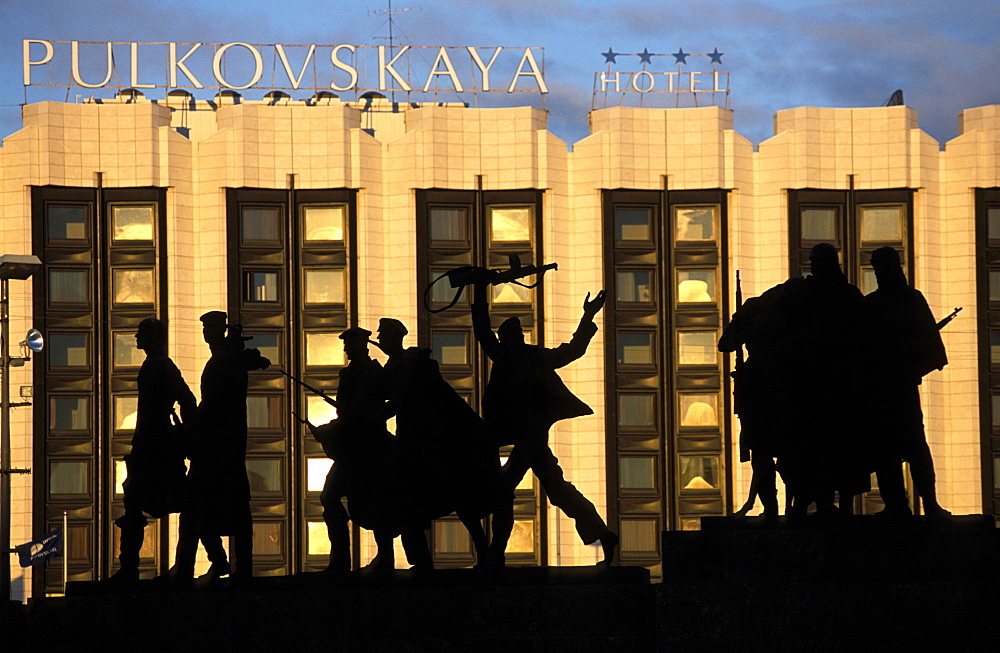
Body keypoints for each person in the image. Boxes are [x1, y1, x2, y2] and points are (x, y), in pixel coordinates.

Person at [471, 279, 618, 566]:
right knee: (558, 490)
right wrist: (478, 288)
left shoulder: (529, 357)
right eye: (511, 334)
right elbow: (481, 330)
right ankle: (603, 533)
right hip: (522, 436)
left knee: (506, 488)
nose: (515, 338)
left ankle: (494, 556)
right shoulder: (510, 356)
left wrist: (588, 316)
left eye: (516, 334)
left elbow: (575, 350)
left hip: (531, 437)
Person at [375, 318, 496, 569]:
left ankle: (481, 553)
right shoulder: (394, 364)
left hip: (425, 441)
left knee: (443, 496)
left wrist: (371, 417)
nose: (379, 340)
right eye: (380, 336)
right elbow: (384, 394)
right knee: (412, 500)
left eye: (383, 336)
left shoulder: (407, 364)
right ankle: (421, 559)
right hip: (412, 440)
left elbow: (399, 401)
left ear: (396, 338)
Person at [170, 311, 269, 580]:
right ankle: (230, 565)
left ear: (221, 331)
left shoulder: (223, 361)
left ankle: (215, 565)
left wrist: (188, 430)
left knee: (200, 506)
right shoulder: (224, 359)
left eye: (212, 328)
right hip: (222, 445)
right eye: (205, 328)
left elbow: (212, 405)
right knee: (226, 508)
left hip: (218, 448)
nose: (207, 332)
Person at [863, 246, 950, 519]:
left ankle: (930, 504)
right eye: (875, 268)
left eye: (882, 268)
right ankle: (896, 505)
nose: (879, 274)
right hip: (879, 389)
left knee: (915, 447)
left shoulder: (912, 300)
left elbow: (932, 349)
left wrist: (909, 365)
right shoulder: (871, 304)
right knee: (884, 451)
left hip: (901, 388)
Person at [111, 318, 195, 581]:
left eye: (141, 333)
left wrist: (182, 433)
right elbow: (186, 400)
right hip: (152, 442)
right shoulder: (157, 364)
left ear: (154, 337)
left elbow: (187, 399)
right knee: (144, 500)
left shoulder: (160, 365)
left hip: (155, 445)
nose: (136, 337)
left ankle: (130, 569)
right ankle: (130, 568)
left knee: (143, 500)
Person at [311, 326, 399, 571]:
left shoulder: (374, 372)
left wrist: (371, 417)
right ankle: (340, 560)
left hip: (371, 447)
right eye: (345, 344)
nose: (345, 348)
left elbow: (393, 401)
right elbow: (344, 412)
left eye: (349, 344)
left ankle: (385, 558)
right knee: (329, 497)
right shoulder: (346, 374)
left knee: (375, 500)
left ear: (362, 345)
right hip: (351, 448)